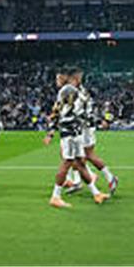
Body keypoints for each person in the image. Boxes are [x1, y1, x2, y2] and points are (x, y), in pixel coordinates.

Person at [43, 68, 108, 209]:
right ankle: (55, 196)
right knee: (67, 162)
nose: (80, 78)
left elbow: (73, 112)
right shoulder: (68, 90)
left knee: (80, 163)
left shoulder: (71, 90)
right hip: (70, 132)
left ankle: (96, 193)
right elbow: (58, 111)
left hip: (76, 131)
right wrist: (50, 133)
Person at [69, 68, 118, 194]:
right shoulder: (79, 91)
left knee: (86, 155)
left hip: (84, 128)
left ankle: (109, 177)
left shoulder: (80, 92)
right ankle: (79, 180)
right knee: (76, 155)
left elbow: (81, 112)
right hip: (83, 127)